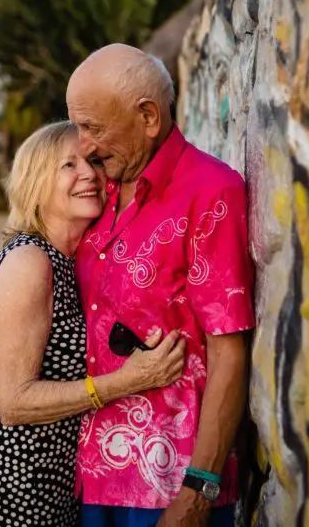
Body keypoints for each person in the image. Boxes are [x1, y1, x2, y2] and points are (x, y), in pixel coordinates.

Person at [0, 121, 188, 527]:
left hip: (56, 486)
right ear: (36, 183)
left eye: (93, 161)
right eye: (68, 165)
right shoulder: (29, 262)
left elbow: (3, 373)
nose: (89, 174)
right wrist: (129, 381)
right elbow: (13, 403)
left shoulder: (69, 261)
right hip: (16, 493)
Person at [67, 45, 255, 527]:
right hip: (84, 476)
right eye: (77, 127)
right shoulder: (94, 189)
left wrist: (198, 490)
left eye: (93, 127)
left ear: (148, 116)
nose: (83, 145)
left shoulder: (211, 191)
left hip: (166, 488)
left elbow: (229, 350)